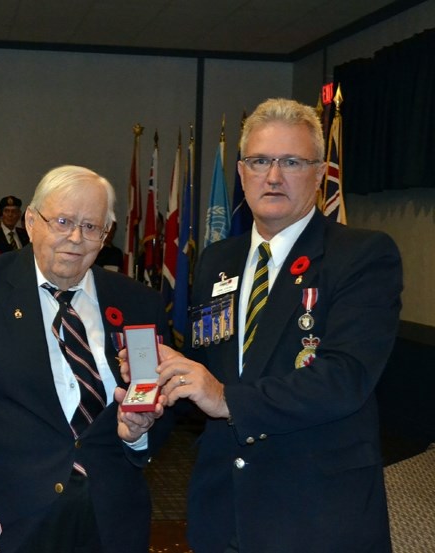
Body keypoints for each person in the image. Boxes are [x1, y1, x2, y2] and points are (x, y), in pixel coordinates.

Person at [147, 98, 402, 552]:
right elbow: (206, 377)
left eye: (292, 162)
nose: (274, 176)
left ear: (320, 172)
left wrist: (226, 398)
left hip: (315, 513)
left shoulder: (362, 256)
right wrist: (152, 399)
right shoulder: (215, 262)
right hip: (222, 510)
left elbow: (345, 380)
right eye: (261, 160)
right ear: (241, 172)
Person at [0, 165, 174, 552]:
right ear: (32, 223)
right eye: (64, 221)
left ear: (105, 236)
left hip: (111, 521)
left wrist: (140, 434)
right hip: (6, 522)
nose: (75, 238)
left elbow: (159, 405)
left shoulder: (138, 303)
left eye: (91, 227)